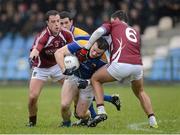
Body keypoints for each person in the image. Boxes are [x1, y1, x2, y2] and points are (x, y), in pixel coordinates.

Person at [85, 10, 158, 128]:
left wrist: (87, 47)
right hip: (138, 65)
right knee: (140, 91)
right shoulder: (134, 31)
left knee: (95, 79)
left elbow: (99, 31)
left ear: (117, 19)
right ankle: (152, 119)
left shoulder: (114, 24)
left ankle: (101, 111)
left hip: (121, 64)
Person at [59, 11, 121, 120]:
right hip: (74, 67)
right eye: (61, 23)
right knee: (74, 96)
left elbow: (91, 52)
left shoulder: (81, 36)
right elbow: (62, 51)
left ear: (71, 22)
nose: (63, 26)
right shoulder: (59, 34)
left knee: (83, 92)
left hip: (87, 71)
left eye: (66, 23)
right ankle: (108, 101)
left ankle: (92, 115)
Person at [27, 10, 74, 127]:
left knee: (75, 89)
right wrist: (31, 58)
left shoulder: (67, 34)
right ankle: (32, 123)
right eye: (53, 22)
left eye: (58, 21)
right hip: (41, 68)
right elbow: (35, 50)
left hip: (58, 66)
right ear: (47, 23)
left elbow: (75, 49)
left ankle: (69, 121)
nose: (57, 24)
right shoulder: (43, 36)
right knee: (32, 98)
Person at [55, 37, 109, 127]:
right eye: (94, 50)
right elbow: (58, 52)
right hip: (73, 76)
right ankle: (66, 124)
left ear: (103, 52)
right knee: (64, 105)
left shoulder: (103, 61)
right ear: (92, 44)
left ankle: (87, 118)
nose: (94, 53)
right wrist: (64, 69)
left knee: (80, 114)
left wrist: (87, 82)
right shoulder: (81, 44)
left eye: (98, 53)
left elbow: (99, 80)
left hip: (88, 84)